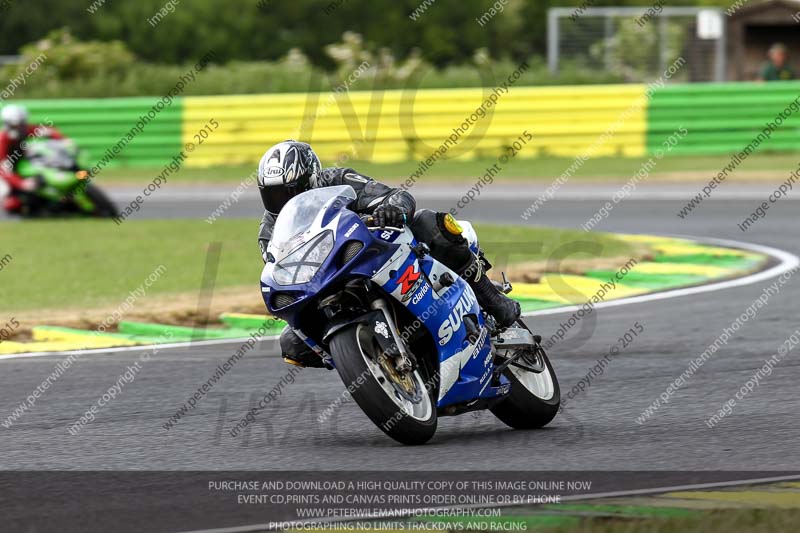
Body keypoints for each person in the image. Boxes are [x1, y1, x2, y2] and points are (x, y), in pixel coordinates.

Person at [257, 140, 521, 368]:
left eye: (290, 191)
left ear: (311, 178)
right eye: (274, 194)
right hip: (325, 278)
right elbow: (281, 268)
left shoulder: (337, 180)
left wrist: (392, 208)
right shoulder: (270, 230)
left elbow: (395, 195)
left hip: (374, 249)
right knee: (291, 344)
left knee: (430, 223)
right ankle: (369, 361)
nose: (283, 200)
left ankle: (492, 300)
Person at [0, 104, 64, 214]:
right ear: (8, 124)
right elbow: (4, 170)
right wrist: (21, 184)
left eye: (22, 124)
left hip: (23, 167)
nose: (21, 128)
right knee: (8, 197)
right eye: (17, 125)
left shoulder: (27, 130)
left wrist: (64, 141)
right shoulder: (3, 141)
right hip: (6, 174)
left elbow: (49, 131)